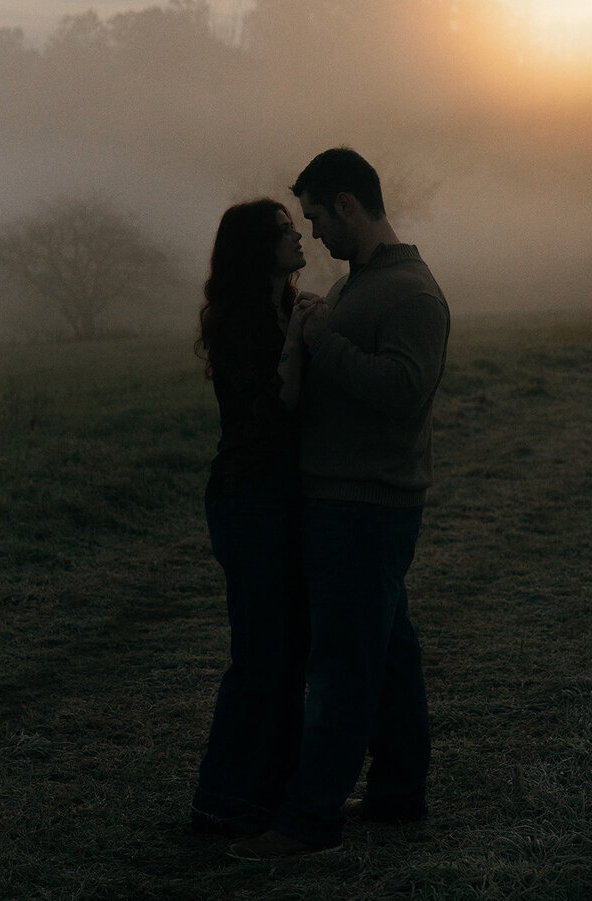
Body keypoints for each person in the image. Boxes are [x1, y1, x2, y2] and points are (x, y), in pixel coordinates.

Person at [229, 148, 450, 859]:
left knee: (341, 670)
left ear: (348, 205)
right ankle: (396, 794)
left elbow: (402, 392)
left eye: (319, 216)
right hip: (350, 504)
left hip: (364, 508)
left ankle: (308, 820)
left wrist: (322, 342)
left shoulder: (411, 292)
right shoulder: (366, 282)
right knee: (388, 656)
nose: (315, 234)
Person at [191, 198, 318, 839]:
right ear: (257, 248)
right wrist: (299, 338)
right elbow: (272, 414)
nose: (299, 237)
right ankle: (221, 801)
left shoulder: (280, 307)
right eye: (285, 232)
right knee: (261, 656)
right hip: (249, 499)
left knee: (287, 651)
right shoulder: (243, 320)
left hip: (277, 497)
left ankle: (270, 792)